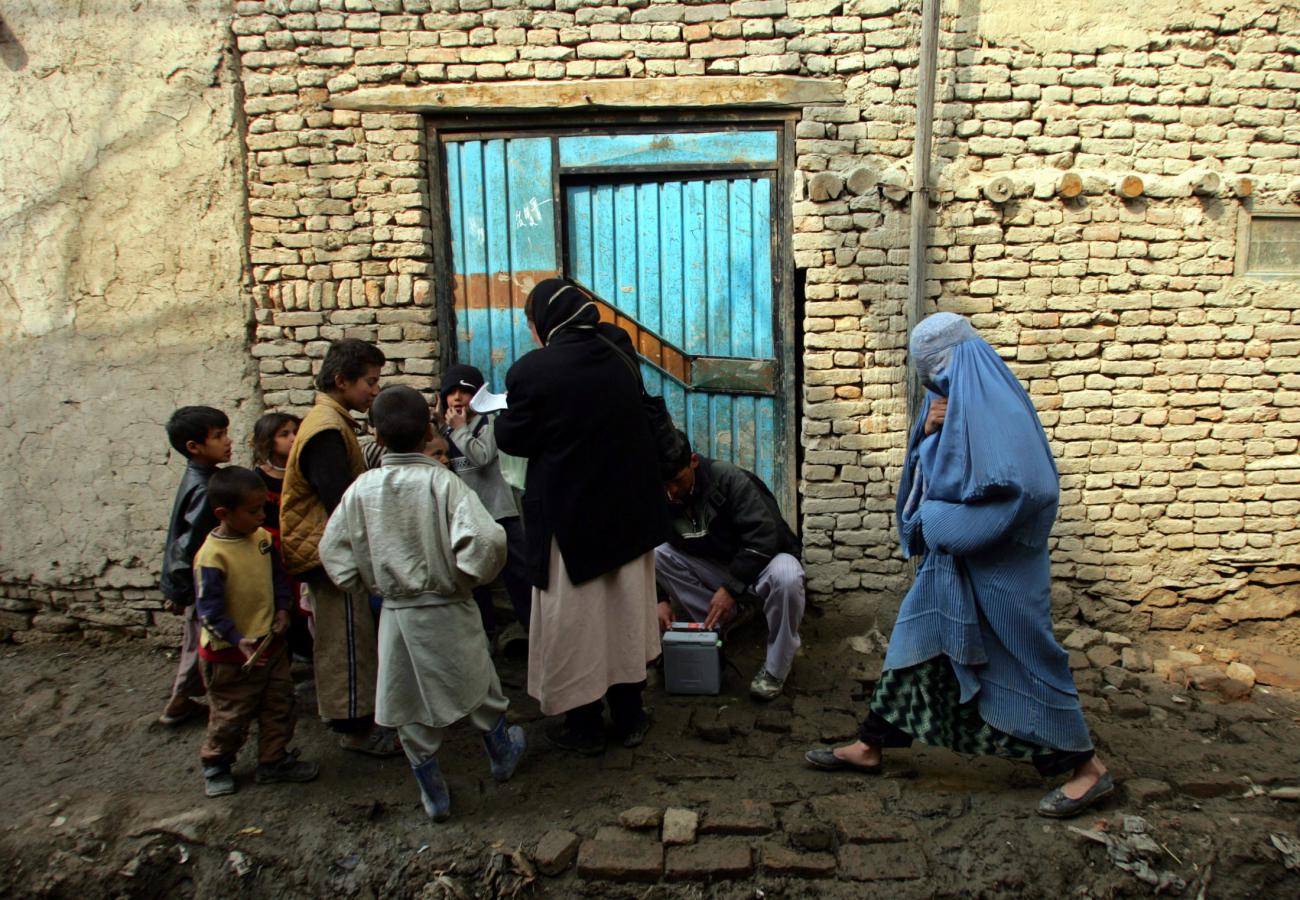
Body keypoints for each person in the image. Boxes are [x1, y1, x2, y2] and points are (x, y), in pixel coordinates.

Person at [805, 312, 1113, 818]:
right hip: (950, 568)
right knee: (915, 643)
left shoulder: (997, 405)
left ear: (958, 360)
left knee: (1023, 659)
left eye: (936, 370)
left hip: (1002, 570)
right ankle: (871, 744)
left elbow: (1033, 488)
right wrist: (926, 432)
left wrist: (958, 524)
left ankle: (1087, 770)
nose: (931, 383)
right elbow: (930, 476)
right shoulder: (944, 405)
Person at [319, 386, 524, 821]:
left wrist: (365, 584)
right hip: (450, 606)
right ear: (428, 428)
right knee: (480, 683)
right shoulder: (442, 482)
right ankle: (502, 755)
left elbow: (334, 551)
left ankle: (434, 794)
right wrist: (465, 578)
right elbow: (487, 540)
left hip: (397, 615)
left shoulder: (361, 490)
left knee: (407, 700)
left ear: (374, 434)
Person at [495, 278, 672, 755]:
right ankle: (631, 716)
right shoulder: (617, 350)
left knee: (576, 625)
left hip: (572, 528)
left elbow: (513, 437)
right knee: (624, 618)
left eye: (531, 324)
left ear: (545, 323)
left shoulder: (532, 371)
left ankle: (585, 726)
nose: (531, 333)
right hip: (628, 517)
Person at [279, 338, 398, 756]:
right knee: (347, 643)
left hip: (329, 551)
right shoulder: (326, 430)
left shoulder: (331, 422)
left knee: (350, 638)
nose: (374, 391)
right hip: (328, 555)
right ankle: (356, 731)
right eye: (369, 381)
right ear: (341, 380)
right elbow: (340, 502)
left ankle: (358, 721)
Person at [194, 467, 319, 797]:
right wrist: (238, 639)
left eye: (263, 508)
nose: (261, 516)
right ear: (224, 513)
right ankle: (217, 763)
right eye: (253, 511)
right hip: (231, 653)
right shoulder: (212, 556)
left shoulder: (262, 539)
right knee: (232, 713)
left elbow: (278, 579)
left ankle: (273, 760)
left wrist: (281, 610)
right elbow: (209, 611)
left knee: (279, 703)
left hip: (269, 643)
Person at [654, 429, 805, 701]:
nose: (671, 492)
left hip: (762, 566)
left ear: (694, 461)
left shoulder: (728, 479)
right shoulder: (661, 493)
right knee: (656, 554)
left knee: (788, 575)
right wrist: (659, 597)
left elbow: (764, 536)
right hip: (717, 568)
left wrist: (731, 587)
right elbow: (647, 540)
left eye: (677, 481)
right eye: (664, 484)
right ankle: (718, 627)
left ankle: (776, 669)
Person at [439, 363, 532, 634]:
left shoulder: (489, 422)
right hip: (468, 518)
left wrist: (459, 429)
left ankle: (531, 628)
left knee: (518, 576)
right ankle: (486, 634)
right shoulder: (443, 432)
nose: (457, 398)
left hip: (500, 513)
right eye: (452, 392)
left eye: (465, 392)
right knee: (477, 582)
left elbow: (481, 457)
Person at [158, 405, 232, 726]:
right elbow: (187, 546)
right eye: (218, 436)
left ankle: (182, 700)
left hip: (196, 580)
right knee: (199, 642)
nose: (228, 441)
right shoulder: (204, 489)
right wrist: (181, 590)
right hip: (200, 582)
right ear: (194, 447)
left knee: (197, 641)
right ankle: (182, 703)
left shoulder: (200, 476)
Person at [250, 412, 311, 657]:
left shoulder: (303, 472)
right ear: (268, 441)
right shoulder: (259, 478)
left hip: (299, 544)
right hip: (271, 548)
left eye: (295, 432)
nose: (292, 438)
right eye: (284, 434)